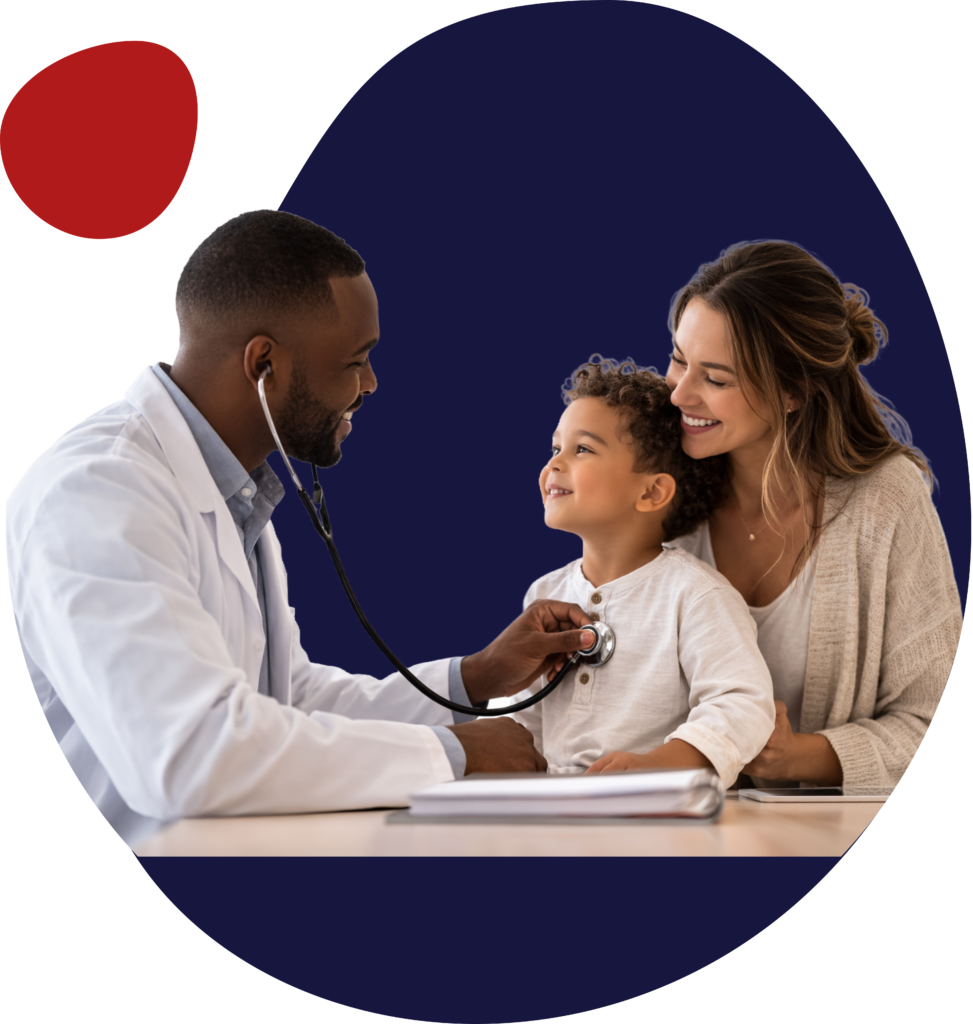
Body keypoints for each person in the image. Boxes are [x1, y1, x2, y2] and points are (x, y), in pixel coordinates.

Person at [5, 209, 597, 850]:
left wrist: (477, 677)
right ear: (264, 364)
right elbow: (189, 755)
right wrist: (453, 753)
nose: (370, 384)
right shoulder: (99, 491)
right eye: (355, 360)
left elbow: (286, 705)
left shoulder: (234, 494)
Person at [663, 240, 963, 790]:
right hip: (675, 824)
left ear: (793, 391)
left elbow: (928, 717)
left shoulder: (885, 503)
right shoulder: (657, 490)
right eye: (679, 359)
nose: (680, 394)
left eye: (716, 378)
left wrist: (796, 756)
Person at [507, 359, 776, 788]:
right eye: (555, 448)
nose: (554, 465)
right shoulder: (544, 594)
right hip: (555, 805)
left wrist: (663, 764)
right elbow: (521, 721)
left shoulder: (695, 595)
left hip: (653, 806)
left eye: (583, 449)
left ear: (651, 492)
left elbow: (742, 702)